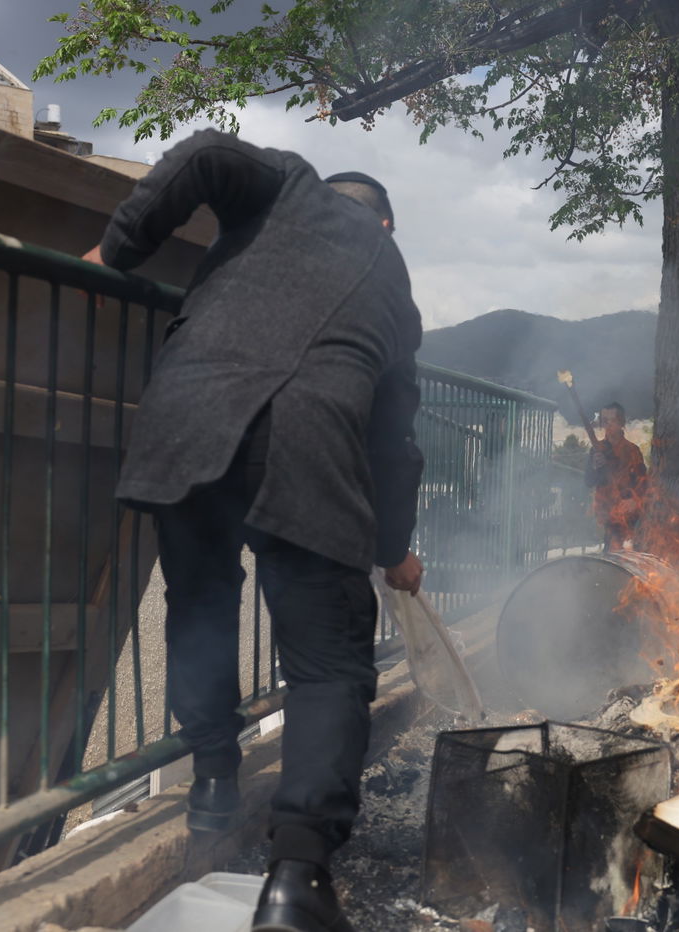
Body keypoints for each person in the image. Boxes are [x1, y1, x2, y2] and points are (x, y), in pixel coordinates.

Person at [83, 129, 424, 932]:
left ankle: (211, 781)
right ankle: (297, 880)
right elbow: (393, 442)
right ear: (386, 227)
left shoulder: (285, 187)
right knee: (328, 661)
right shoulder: (398, 296)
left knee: (201, 608)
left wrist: (115, 252)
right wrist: (392, 549)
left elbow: (202, 153)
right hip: (310, 446)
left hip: (186, 422)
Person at [584, 402, 647, 551]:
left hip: (631, 516)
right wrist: (594, 467)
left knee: (631, 556)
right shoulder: (596, 450)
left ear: (621, 422)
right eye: (605, 420)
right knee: (611, 555)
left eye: (613, 420)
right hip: (608, 515)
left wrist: (634, 500)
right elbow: (588, 481)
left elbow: (643, 484)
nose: (609, 424)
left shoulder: (633, 451)